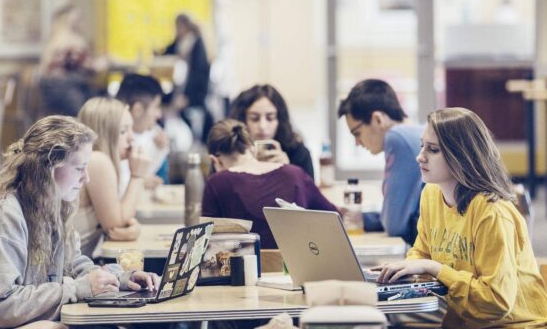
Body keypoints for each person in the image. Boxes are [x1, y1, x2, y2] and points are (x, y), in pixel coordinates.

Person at [0, 115, 159, 328]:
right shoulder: (4, 213)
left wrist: (120, 279)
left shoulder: (52, 204)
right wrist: (78, 289)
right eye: (79, 168)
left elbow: (73, 264)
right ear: (49, 168)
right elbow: (2, 306)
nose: (86, 178)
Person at [377, 107, 547, 328]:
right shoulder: (431, 194)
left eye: (433, 149)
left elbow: (496, 302)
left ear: (462, 156)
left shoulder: (492, 213)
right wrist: (404, 269)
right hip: (463, 321)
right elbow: (422, 251)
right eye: (422, 146)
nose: (420, 157)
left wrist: (434, 268)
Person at [202, 119, 339, 249]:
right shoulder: (295, 173)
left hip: (247, 271)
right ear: (252, 148)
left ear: (215, 160)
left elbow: (206, 245)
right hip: (297, 269)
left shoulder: (216, 183)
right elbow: (335, 218)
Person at [337, 79, 423, 245]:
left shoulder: (398, 138)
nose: (357, 143)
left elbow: (394, 225)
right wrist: (364, 219)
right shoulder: (417, 131)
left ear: (378, 119)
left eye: (357, 133)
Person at [74, 97, 151, 257]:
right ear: (104, 134)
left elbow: (118, 224)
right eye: (123, 131)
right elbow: (117, 225)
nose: (131, 138)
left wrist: (133, 228)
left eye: (131, 129)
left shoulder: (96, 160)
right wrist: (137, 175)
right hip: (68, 272)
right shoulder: (97, 160)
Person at [229, 84, 315, 179]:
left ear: (280, 120)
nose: (263, 126)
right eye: (254, 119)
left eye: (270, 118)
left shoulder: (298, 153)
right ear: (242, 120)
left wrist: (289, 170)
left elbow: (309, 192)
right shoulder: (229, 153)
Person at [39, 5, 108, 117]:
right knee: (104, 101)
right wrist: (106, 62)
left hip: (51, 95)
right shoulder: (73, 40)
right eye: (80, 18)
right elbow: (90, 68)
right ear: (71, 21)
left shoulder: (53, 38)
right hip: (68, 94)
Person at [162, 13, 212, 143]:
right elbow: (168, 50)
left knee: (190, 126)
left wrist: (188, 97)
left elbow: (199, 74)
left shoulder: (196, 43)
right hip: (181, 88)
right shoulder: (180, 42)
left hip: (193, 94)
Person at [116, 73, 169, 188]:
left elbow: (145, 172)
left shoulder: (151, 133)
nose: (159, 114)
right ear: (138, 109)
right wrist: (141, 181)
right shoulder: (113, 139)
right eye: (156, 107)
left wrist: (159, 149)